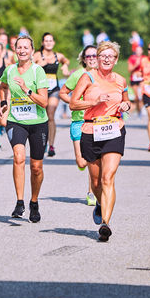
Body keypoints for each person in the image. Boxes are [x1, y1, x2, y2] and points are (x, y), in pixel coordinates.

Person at [70, 41, 130, 241]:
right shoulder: (87, 77)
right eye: (103, 55)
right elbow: (73, 103)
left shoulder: (121, 80)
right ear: (97, 58)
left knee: (107, 177)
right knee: (96, 181)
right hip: (91, 129)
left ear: (115, 60)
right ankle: (99, 202)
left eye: (110, 56)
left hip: (114, 129)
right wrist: (93, 102)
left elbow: (127, 100)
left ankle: (105, 223)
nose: (106, 59)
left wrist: (126, 105)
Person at [0, 35, 50, 222]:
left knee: (36, 167)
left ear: (32, 51)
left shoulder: (38, 72)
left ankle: (34, 202)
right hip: (16, 120)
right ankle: (19, 202)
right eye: (19, 47)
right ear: (14, 50)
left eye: (25, 47)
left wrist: (27, 90)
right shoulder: (10, 70)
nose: (22, 50)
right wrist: (4, 102)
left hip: (38, 122)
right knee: (18, 157)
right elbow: (3, 86)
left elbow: (44, 102)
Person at [60, 45, 99, 207]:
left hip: (97, 122)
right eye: (88, 56)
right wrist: (76, 103)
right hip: (78, 121)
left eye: (94, 55)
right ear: (83, 59)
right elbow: (63, 92)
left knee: (92, 160)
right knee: (82, 162)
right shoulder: (77, 75)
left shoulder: (103, 75)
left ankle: (92, 192)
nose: (91, 58)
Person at [33, 32, 71, 157]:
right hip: (40, 90)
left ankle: (51, 146)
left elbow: (66, 60)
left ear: (53, 42)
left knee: (50, 115)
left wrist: (65, 65)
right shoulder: (38, 55)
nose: (49, 43)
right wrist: (39, 65)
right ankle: (41, 143)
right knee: (41, 116)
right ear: (43, 43)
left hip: (54, 89)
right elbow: (29, 67)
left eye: (51, 40)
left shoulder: (57, 55)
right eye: (46, 40)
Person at [128, 45, 145, 117]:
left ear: (142, 51)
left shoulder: (145, 58)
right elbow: (129, 70)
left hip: (142, 78)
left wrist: (141, 72)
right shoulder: (132, 58)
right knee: (137, 97)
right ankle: (138, 110)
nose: (138, 52)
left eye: (140, 50)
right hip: (134, 79)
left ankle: (141, 109)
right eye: (137, 50)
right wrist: (136, 65)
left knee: (142, 95)